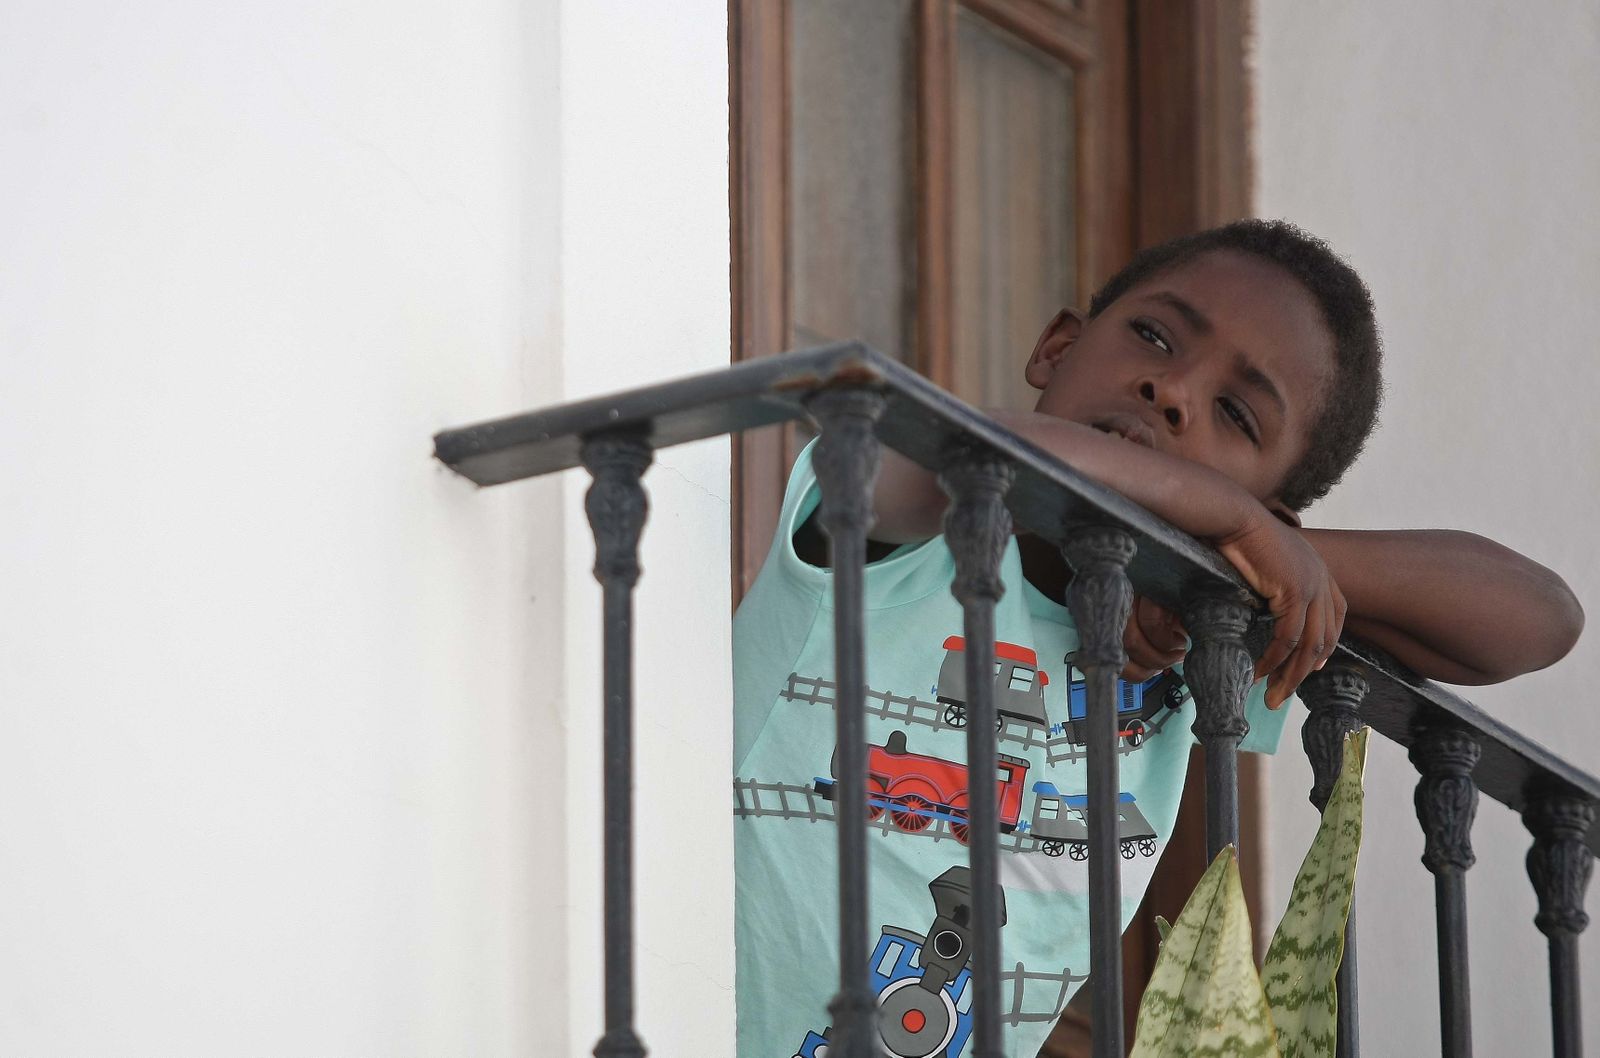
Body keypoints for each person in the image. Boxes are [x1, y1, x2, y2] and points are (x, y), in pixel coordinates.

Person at [732, 220, 1584, 1058]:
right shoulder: (905, 525)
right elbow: (981, 452)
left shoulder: (1194, 638)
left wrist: (1262, 559)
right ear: (1057, 349)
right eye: (1153, 335)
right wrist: (1226, 510)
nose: (1171, 393)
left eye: (1237, 416)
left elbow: (1537, 619)